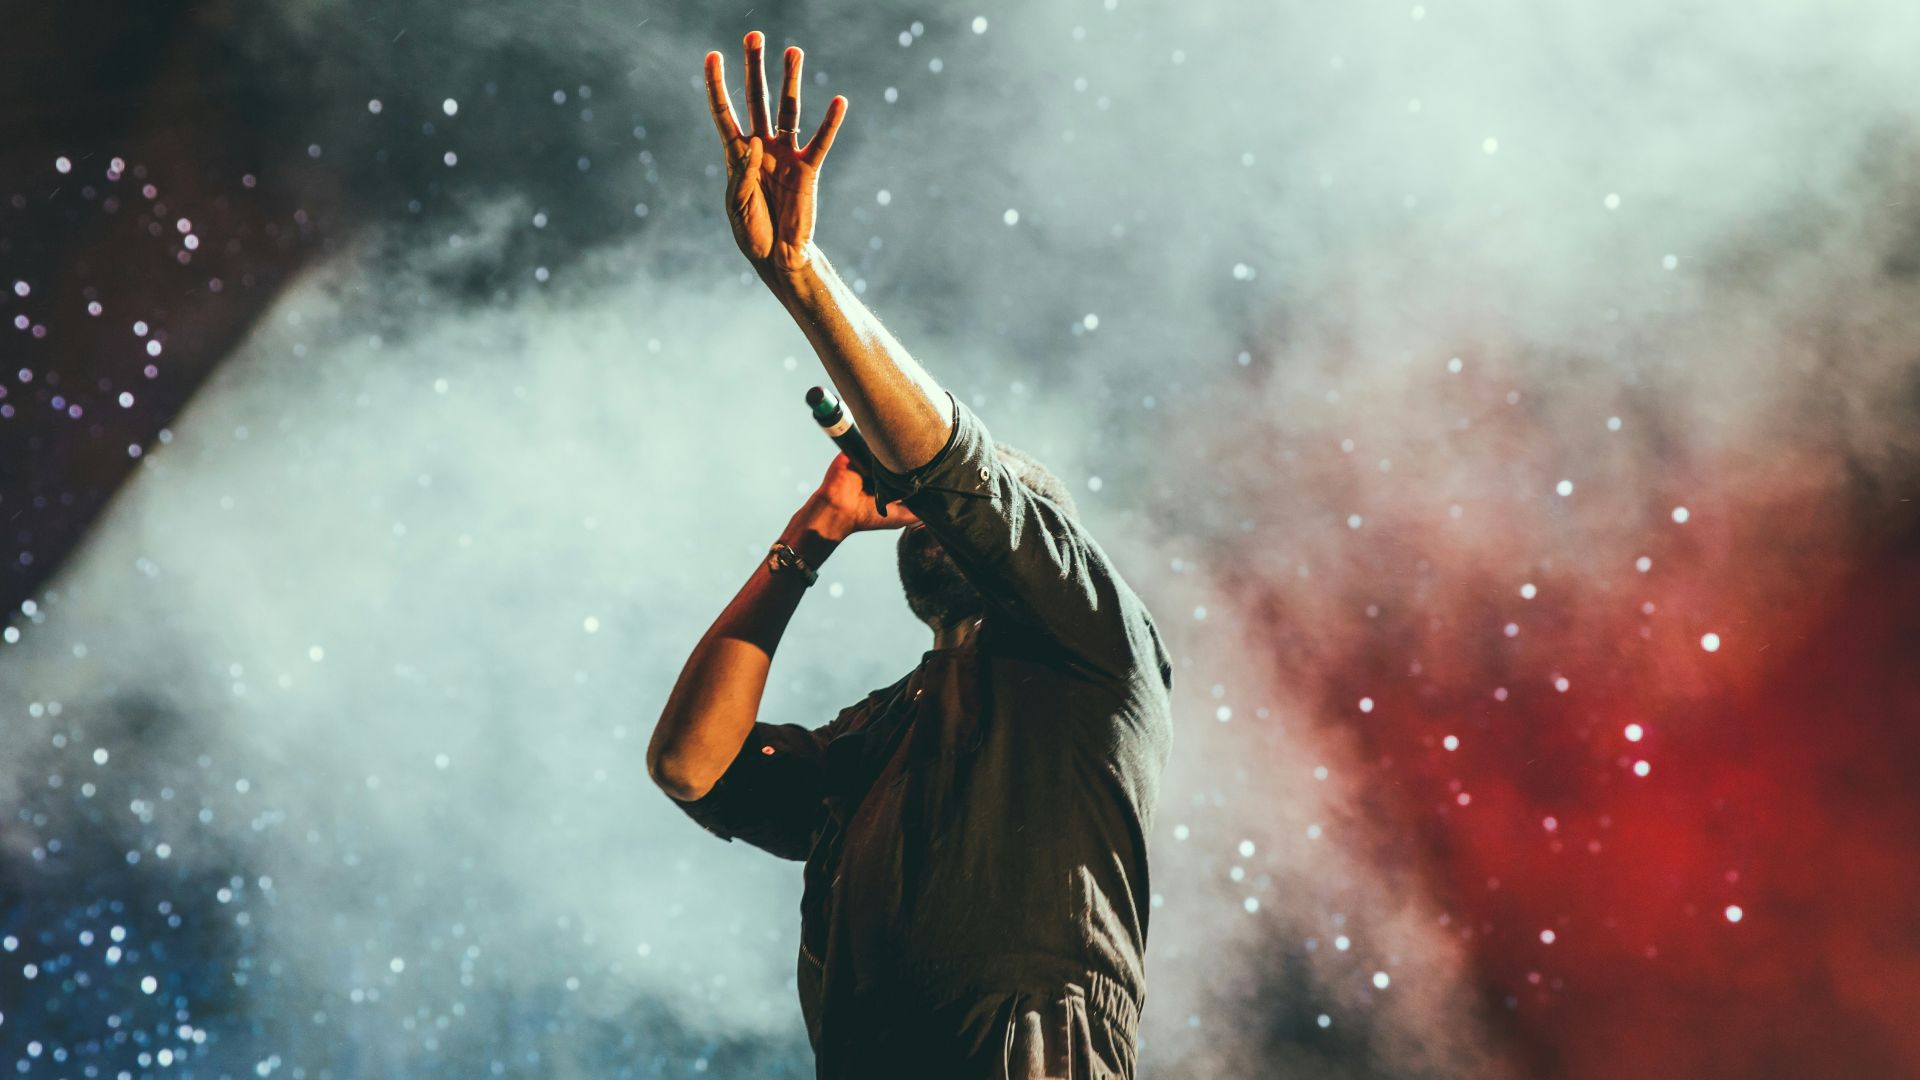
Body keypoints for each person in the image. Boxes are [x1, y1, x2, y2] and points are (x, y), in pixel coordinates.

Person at [646, 30, 1175, 1080]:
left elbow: (959, 470)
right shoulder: (879, 730)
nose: (925, 512)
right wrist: (812, 533)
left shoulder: (1094, 637)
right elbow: (690, 765)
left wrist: (802, 278)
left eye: (953, 509)